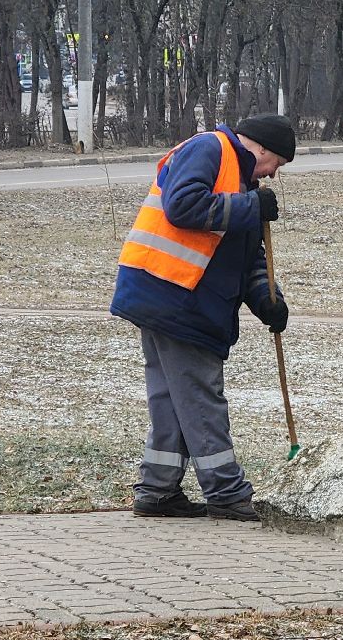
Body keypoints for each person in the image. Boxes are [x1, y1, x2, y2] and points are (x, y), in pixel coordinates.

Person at [110, 113, 296, 521]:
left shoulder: (245, 181)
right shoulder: (210, 148)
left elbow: (248, 257)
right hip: (175, 294)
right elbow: (183, 206)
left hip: (168, 294)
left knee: (172, 397)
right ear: (261, 148)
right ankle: (226, 492)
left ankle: (158, 490)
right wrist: (250, 206)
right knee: (199, 395)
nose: (274, 175)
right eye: (277, 164)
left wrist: (268, 301)